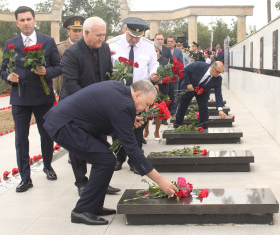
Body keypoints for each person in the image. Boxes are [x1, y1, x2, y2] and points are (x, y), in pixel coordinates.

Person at [43, 80, 179, 225]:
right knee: (105, 160)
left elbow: (108, 107)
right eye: (147, 104)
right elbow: (132, 148)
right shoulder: (123, 105)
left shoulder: (122, 91)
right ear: (137, 94)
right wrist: (160, 180)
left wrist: (128, 118)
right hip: (64, 125)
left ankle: (93, 206)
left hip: (70, 122)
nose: (147, 109)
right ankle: (81, 210)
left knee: (107, 160)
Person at [0, 6, 61, 192]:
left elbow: (58, 67)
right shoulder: (11, 44)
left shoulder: (48, 42)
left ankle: (48, 166)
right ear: (17, 23)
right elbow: (3, 69)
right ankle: (25, 178)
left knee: (47, 134)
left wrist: (47, 72)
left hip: (43, 97)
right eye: (22, 20)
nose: (26, 23)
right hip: (20, 98)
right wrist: (8, 77)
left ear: (35, 20)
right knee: (21, 139)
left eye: (29, 19)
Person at [59, 16, 120, 196]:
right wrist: (90, 103)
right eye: (99, 35)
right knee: (78, 147)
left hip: (97, 107)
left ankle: (99, 182)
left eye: (104, 35)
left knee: (101, 144)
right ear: (86, 33)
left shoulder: (105, 48)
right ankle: (81, 182)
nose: (102, 38)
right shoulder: (72, 53)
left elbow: (107, 76)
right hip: (75, 106)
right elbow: (71, 83)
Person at [108, 17, 159, 171]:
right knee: (117, 128)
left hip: (139, 94)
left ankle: (134, 162)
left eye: (138, 37)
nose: (134, 40)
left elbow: (153, 63)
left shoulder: (148, 46)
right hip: (118, 92)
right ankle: (119, 158)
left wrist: (154, 74)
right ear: (125, 30)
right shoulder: (113, 44)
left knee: (137, 129)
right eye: (131, 36)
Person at [175, 61, 227, 130]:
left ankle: (204, 128)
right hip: (189, 87)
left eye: (221, 72)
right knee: (183, 106)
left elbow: (218, 94)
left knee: (204, 108)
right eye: (218, 72)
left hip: (203, 92)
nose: (219, 74)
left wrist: (220, 109)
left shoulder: (218, 79)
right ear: (212, 67)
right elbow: (186, 70)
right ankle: (177, 125)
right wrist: (188, 83)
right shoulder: (199, 65)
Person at [144, 42, 169, 141]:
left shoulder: (165, 61)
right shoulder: (146, 60)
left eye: (156, 51)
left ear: (160, 52)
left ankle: (157, 131)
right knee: (146, 110)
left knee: (159, 111)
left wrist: (159, 81)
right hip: (147, 89)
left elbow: (169, 76)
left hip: (161, 89)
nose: (154, 53)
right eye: (152, 51)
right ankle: (146, 131)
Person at [54, 16, 85, 95]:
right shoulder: (60, 48)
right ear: (68, 31)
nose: (77, 34)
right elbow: (55, 73)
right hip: (67, 91)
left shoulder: (87, 47)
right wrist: (53, 91)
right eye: (75, 31)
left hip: (84, 89)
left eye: (80, 31)